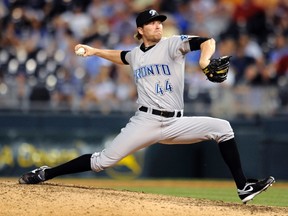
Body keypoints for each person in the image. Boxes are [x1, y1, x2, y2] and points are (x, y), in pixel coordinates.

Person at [19, 9, 275, 204]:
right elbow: (121, 57)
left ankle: (243, 187)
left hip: (175, 122)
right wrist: (94, 51)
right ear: (140, 29)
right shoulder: (135, 54)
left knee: (223, 127)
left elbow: (206, 40)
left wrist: (204, 60)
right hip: (145, 122)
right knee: (102, 162)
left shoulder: (173, 44)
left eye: (159, 22)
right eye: (152, 23)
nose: (158, 25)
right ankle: (46, 173)